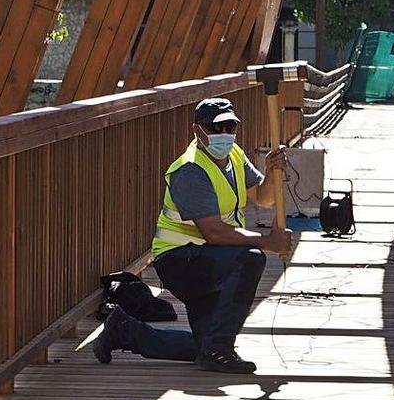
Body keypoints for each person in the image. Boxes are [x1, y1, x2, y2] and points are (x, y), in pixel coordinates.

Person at [92, 97, 293, 374]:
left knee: (203, 345)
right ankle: (219, 351)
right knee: (251, 258)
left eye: (230, 128)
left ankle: (124, 331)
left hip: (209, 257)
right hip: (180, 260)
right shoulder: (190, 170)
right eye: (216, 128)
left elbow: (263, 197)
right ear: (198, 130)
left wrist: (272, 173)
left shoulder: (233, 154)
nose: (225, 135)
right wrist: (266, 241)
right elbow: (212, 232)